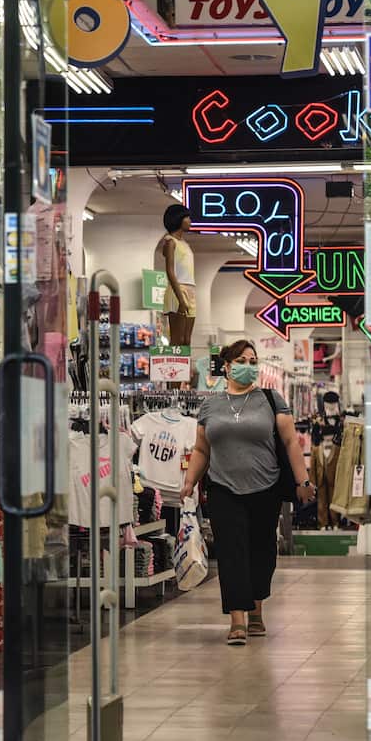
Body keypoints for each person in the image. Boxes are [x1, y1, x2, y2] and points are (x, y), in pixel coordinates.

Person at [180, 340, 313, 646]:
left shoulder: (271, 399)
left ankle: (256, 608)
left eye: (253, 361)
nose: (249, 366)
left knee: (261, 552)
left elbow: (292, 443)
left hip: (265, 488)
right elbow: (202, 448)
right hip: (223, 488)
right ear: (226, 366)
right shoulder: (210, 405)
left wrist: (302, 481)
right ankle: (237, 618)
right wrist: (189, 481)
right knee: (231, 551)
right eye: (242, 360)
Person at [155, 204, 196, 346]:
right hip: (177, 289)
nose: (190, 221)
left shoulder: (185, 243)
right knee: (178, 339)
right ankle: (174, 366)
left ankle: (185, 367)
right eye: (187, 217)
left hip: (190, 289)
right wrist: (181, 299)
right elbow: (170, 271)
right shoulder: (170, 242)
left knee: (187, 340)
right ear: (178, 219)